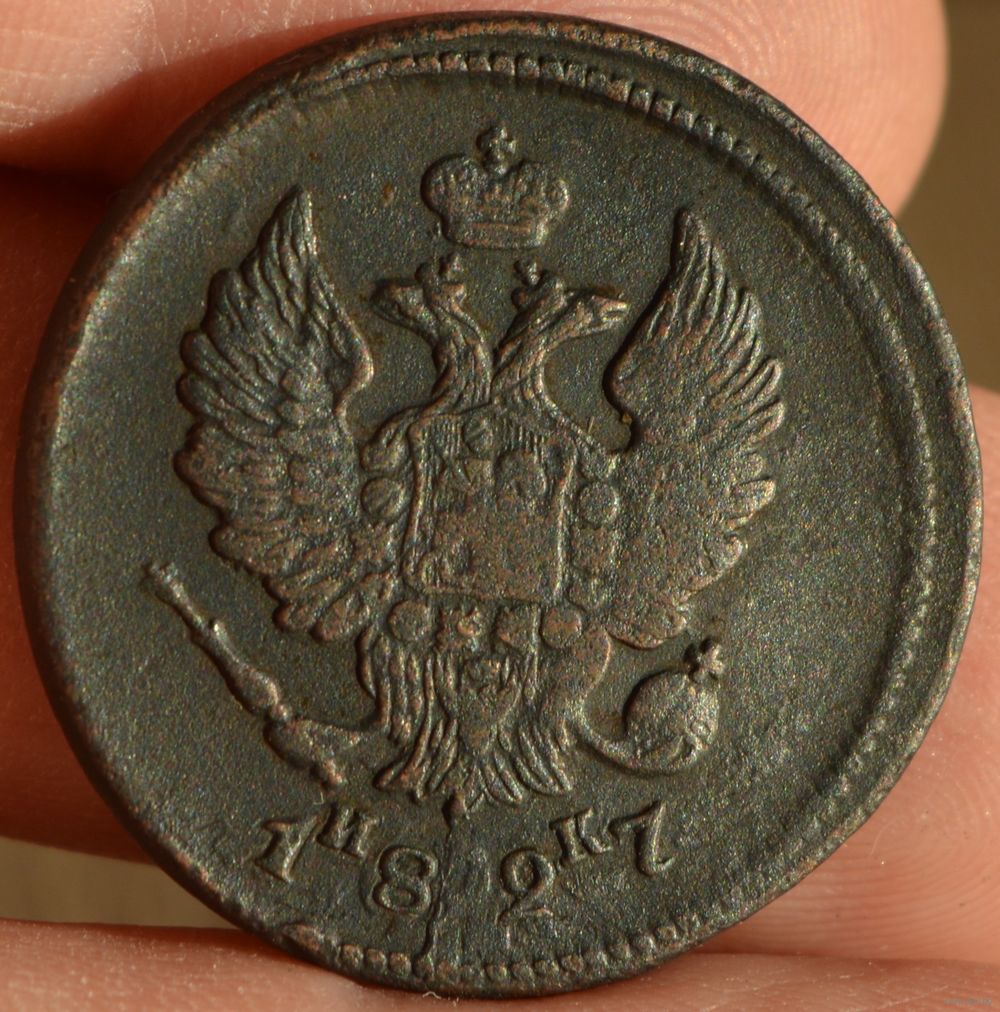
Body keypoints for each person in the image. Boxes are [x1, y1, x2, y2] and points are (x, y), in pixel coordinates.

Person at [1, 0, 997, 1006]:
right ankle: (392, 738)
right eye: (523, 316)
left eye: (519, 314)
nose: (505, 315)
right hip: (427, 699)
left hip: (526, 705)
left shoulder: (451, 441)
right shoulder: (455, 440)